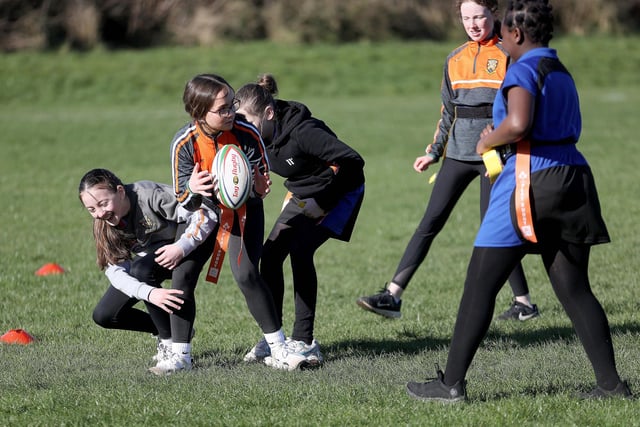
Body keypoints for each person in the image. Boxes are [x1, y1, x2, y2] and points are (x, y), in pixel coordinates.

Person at [406, 0, 632, 402]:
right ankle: (611, 385)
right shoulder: (560, 70)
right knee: (575, 289)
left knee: (479, 284)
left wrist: (489, 138)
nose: (501, 40)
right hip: (574, 176)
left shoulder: (523, 69)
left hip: (531, 180)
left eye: (505, 33)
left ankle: (450, 384)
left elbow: (519, 124)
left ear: (516, 35)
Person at [356, 0, 540, 321]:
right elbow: (448, 112)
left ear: (493, 14)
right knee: (429, 223)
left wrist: (506, 143)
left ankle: (523, 303)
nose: (473, 23)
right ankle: (393, 295)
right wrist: (433, 151)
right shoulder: (454, 59)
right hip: (456, 154)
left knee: (493, 228)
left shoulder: (509, 55)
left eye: (479, 16)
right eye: (466, 17)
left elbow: (519, 110)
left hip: (494, 158)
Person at [170, 73, 309, 371]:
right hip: (202, 213)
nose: (231, 113)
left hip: (244, 212)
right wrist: (194, 190)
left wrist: (258, 187)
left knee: (246, 273)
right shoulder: (184, 143)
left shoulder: (247, 132)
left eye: (232, 105)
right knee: (182, 274)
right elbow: (183, 200)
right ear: (198, 112)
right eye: (222, 110)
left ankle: (279, 349)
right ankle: (179, 356)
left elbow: (257, 186)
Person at [235, 74, 365, 366]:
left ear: (269, 113)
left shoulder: (303, 131)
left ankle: (305, 342)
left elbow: (353, 163)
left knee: (301, 250)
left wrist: (324, 202)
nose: (243, 128)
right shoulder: (253, 135)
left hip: (340, 189)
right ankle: (275, 339)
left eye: (248, 121)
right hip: (302, 192)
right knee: (270, 257)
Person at [79, 168, 217, 374]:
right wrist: (150, 293)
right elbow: (115, 272)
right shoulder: (103, 225)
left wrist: (181, 247)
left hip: (192, 242)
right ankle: (169, 330)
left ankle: (172, 346)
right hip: (154, 260)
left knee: (142, 269)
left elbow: (204, 213)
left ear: (121, 192)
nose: (99, 213)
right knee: (105, 315)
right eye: (91, 209)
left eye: (103, 203)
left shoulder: (150, 196)